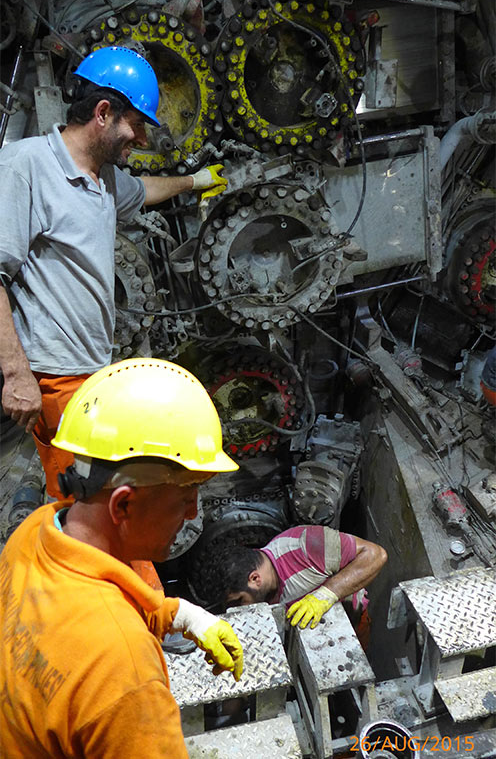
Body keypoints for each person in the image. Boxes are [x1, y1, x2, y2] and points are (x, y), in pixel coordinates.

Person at [0, 45, 227, 500]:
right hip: (52, 376)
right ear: (103, 112)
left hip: (89, 374)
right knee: (84, 509)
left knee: (83, 503)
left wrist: (197, 182)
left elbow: (143, 190)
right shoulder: (26, 166)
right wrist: (16, 374)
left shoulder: (102, 178)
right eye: (137, 124)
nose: (141, 140)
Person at [0, 357, 243, 758]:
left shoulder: (35, 534)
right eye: (185, 497)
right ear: (124, 505)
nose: (193, 513)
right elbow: (104, 647)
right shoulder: (125, 675)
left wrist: (182, 616)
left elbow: (83, 615)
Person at [213, 525, 387, 646]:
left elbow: (375, 555)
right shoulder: (259, 586)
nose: (239, 610)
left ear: (255, 579)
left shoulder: (305, 546)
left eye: (239, 601)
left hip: (350, 627)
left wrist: (325, 596)